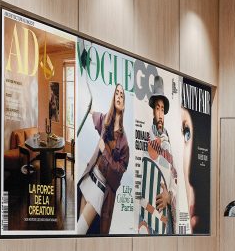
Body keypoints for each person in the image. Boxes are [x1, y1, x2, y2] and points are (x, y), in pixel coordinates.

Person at [76, 84, 130, 234]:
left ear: (124, 102)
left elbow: (118, 173)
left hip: (100, 189)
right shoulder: (106, 121)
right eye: (117, 93)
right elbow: (97, 117)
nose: (119, 97)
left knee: (80, 230)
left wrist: (104, 151)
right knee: (80, 231)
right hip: (89, 178)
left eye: (122, 95)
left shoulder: (124, 143)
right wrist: (90, 110)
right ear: (113, 97)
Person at [137, 91, 179, 234]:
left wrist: (170, 196)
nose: (160, 114)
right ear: (153, 112)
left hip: (165, 212)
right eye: (157, 108)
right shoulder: (147, 137)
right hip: (149, 211)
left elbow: (175, 177)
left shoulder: (169, 143)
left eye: (162, 109)